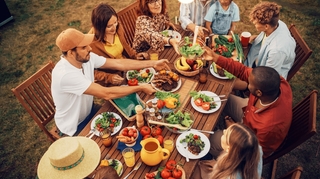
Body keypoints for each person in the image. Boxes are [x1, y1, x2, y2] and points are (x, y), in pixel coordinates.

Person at [52, 28, 170, 136]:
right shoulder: (66, 75)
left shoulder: (86, 57)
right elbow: (106, 93)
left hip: (90, 110)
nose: (90, 48)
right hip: (74, 126)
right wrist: (140, 87)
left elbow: (119, 63)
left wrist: (153, 63)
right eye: (83, 47)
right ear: (70, 53)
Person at [203, 46, 292, 158]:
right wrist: (215, 57)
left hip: (248, 146)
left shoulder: (268, 126)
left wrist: (234, 130)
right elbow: (242, 71)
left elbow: (252, 152)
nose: (246, 83)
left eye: (249, 84)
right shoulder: (276, 82)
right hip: (248, 114)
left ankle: (212, 157)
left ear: (259, 93)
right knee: (220, 99)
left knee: (209, 140)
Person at [235, 1, 296, 90]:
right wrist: (255, 38)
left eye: (256, 23)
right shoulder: (277, 24)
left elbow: (267, 78)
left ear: (266, 26)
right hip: (255, 62)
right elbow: (265, 40)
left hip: (261, 78)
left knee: (230, 81)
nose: (254, 24)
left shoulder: (277, 51)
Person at [89, 3, 148, 86]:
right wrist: (108, 77)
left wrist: (135, 55)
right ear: (99, 27)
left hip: (126, 69)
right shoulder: (91, 43)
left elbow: (124, 45)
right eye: (109, 26)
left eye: (115, 22)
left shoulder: (118, 27)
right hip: (113, 80)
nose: (114, 28)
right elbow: (88, 70)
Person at [192, 123, 262, 179]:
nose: (224, 131)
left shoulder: (228, 177)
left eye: (225, 135)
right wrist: (217, 165)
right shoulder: (256, 149)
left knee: (193, 172)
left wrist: (217, 168)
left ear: (229, 149)